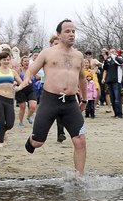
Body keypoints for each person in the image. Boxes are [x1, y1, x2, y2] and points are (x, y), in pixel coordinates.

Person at [18, 19, 87, 176]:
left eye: (73, 31)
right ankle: (31, 140)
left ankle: (79, 177)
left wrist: (84, 99)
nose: (71, 34)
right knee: (38, 142)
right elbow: (31, 70)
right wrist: (27, 78)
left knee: (80, 140)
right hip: (50, 100)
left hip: (70, 103)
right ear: (58, 34)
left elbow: (82, 78)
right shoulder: (48, 53)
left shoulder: (78, 55)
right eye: (67, 31)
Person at [101, 47, 123, 118]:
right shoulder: (108, 60)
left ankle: (120, 114)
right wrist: (105, 60)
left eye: (113, 52)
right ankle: (115, 113)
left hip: (116, 81)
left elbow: (121, 63)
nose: (111, 53)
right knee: (112, 99)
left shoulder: (118, 58)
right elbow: (105, 68)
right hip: (109, 81)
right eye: (110, 52)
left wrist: (114, 56)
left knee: (117, 98)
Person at [16, 56, 38, 127]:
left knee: (33, 106)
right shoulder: (19, 70)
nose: (27, 62)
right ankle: (20, 122)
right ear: (22, 62)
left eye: (28, 61)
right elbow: (15, 78)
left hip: (31, 89)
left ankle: (28, 117)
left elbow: (37, 77)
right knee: (22, 107)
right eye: (25, 61)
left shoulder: (31, 70)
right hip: (21, 90)